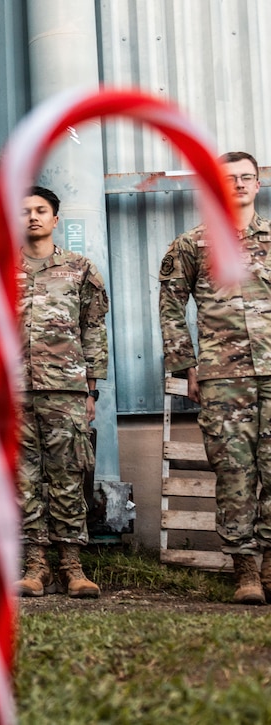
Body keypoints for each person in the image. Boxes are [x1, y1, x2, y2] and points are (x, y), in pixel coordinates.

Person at [0, 185, 109, 599]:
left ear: (54, 219)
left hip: (65, 389)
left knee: (68, 475)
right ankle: (35, 566)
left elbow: (94, 328)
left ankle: (72, 566)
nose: (32, 217)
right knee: (23, 479)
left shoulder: (80, 268)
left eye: (41, 210)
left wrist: (91, 389)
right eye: (23, 211)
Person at [158, 151, 271, 605]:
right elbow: (170, 306)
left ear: (258, 184)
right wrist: (186, 366)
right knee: (234, 472)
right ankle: (245, 570)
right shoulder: (192, 245)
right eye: (229, 179)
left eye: (246, 178)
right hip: (224, 377)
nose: (238, 185)